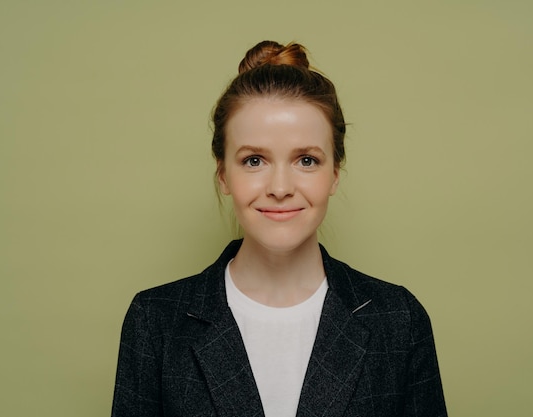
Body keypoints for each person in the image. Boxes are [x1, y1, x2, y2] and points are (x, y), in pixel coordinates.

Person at [111, 40, 447, 417]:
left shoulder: (398, 319)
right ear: (223, 174)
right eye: (254, 160)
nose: (281, 187)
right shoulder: (155, 321)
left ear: (335, 173)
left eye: (306, 160)